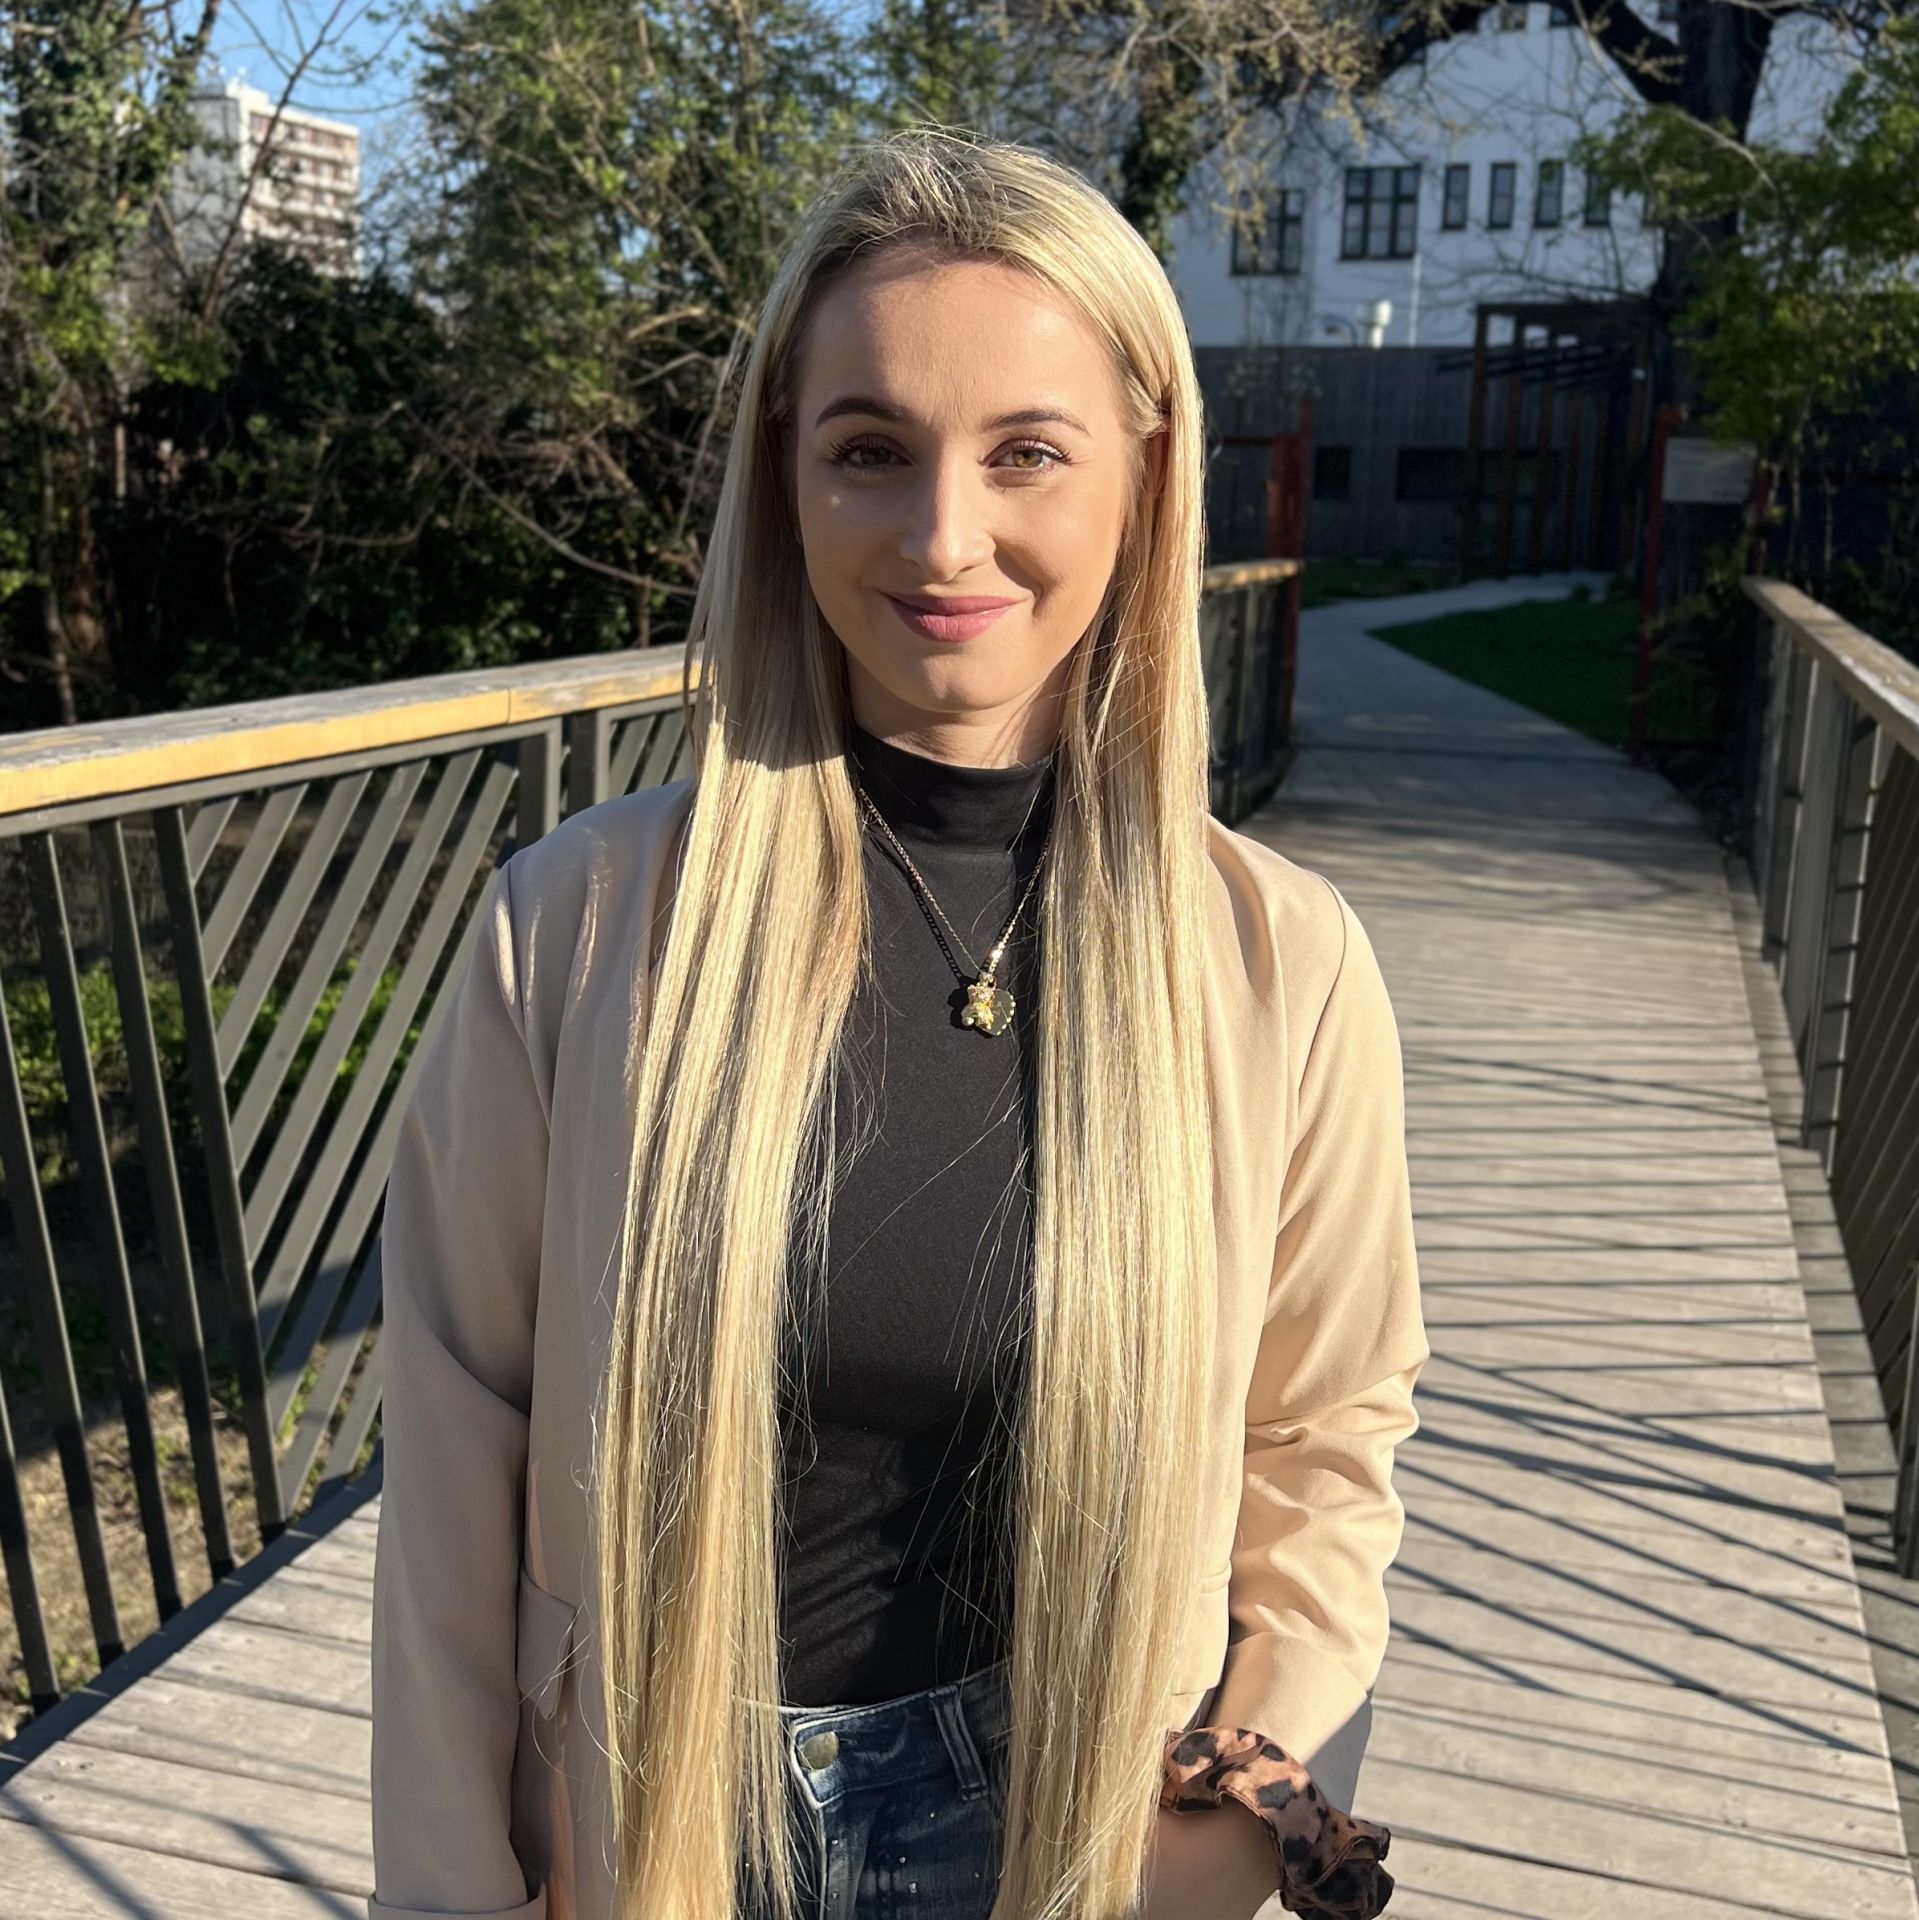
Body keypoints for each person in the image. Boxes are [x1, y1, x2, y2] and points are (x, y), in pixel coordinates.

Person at [365, 126, 1428, 1920]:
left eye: (1028, 453)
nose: (946, 536)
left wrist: (1238, 1810)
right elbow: (455, 1446)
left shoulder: (1282, 963)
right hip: (649, 1814)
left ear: (1144, 477)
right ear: (786, 477)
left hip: (1076, 1823)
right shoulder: (582, 928)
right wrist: (455, 1890)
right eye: (870, 451)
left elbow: (1326, 1431)